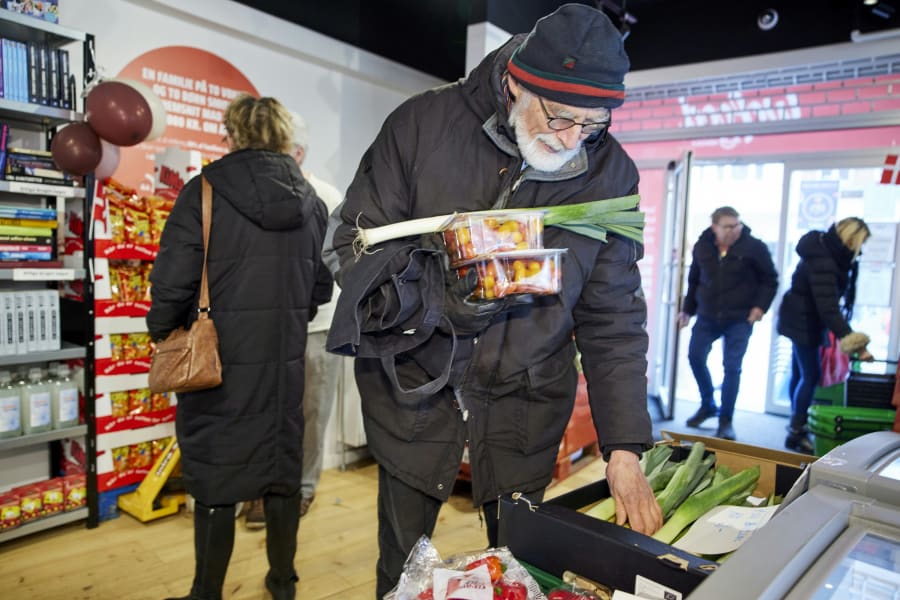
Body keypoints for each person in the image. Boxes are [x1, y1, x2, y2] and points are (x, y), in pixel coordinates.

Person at [325, 5, 662, 596]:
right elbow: (351, 248)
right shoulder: (422, 126)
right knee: (402, 573)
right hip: (415, 394)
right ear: (515, 84)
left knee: (519, 574)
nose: (573, 140)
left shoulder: (610, 175)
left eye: (592, 124)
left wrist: (624, 445)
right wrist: (442, 299)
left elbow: (613, 319)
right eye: (560, 117)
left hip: (525, 408)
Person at [147, 94, 333, 600]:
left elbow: (172, 283)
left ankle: (206, 592)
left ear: (231, 135)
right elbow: (321, 288)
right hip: (284, 367)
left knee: (216, 478)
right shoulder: (311, 201)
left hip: (218, 366)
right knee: (281, 473)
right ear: (283, 136)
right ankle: (283, 582)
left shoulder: (203, 191)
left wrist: (163, 332)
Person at [244, 112, 345, 529]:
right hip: (268, 327)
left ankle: (302, 488)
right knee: (262, 411)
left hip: (318, 327)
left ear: (297, 152)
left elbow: (336, 265)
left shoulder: (326, 196)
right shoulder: (254, 195)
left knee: (311, 412)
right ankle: (261, 489)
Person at [677, 206, 778, 441]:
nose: (734, 230)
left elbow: (770, 280)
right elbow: (694, 280)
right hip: (707, 315)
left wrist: (760, 307)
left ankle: (726, 420)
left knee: (732, 367)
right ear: (715, 227)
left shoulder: (755, 247)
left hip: (740, 318)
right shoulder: (702, 246)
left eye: (737, 225)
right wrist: (687, 311)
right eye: (728, 226)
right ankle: (708, 404)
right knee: (695, 356)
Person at [777, 217, 873, 454]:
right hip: (804, 321)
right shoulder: (825, 261)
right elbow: (828, 307)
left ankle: (795, 426)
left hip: (801, 317)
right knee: (811, 376)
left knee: (801, 374)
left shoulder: (825, 250)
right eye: (860, 243)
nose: (860, 250)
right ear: (851, 239)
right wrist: (856, 344)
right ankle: (796, 430)